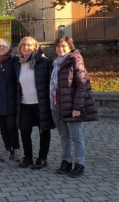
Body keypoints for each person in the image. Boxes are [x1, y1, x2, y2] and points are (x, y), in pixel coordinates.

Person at [50, 37, 98, 178]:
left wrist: (77, 107)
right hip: (56, 105)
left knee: (76, 137)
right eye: (58, 46)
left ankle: (79, 164)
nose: (60, 49)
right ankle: (66, 161)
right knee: (64, 136)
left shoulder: (75, 61)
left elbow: (82, 85)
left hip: (71, 106)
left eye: (64, 46)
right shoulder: (55, 63)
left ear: (70, 46)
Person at [14, 36, 55, 169]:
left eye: (29, 45)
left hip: (41, 103)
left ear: (35, 47)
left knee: (44, 130)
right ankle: (28, 157)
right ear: (20, 47)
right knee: (25, 131)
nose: (26, 47)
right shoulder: (17, 63)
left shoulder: (43, 62)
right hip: (25, 104)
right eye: (23, 45)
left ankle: (42, 158)